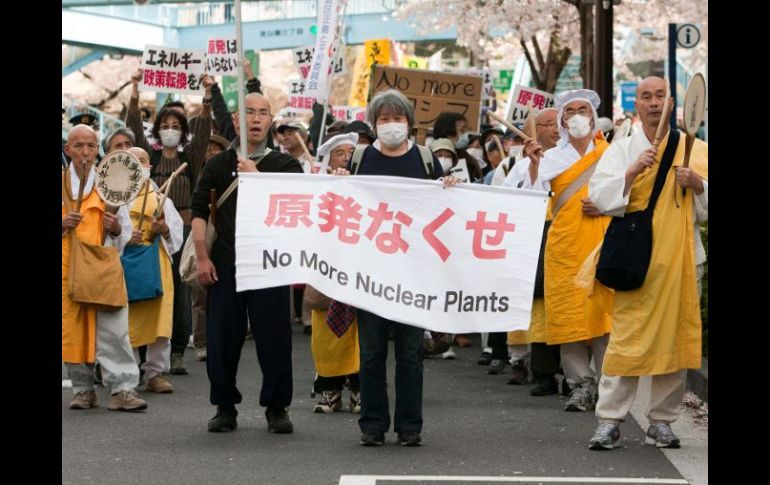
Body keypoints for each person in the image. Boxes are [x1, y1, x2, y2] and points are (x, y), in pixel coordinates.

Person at [585, 76, 708, 450]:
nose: (654, 103)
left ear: (672, 102)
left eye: (660, 96)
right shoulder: (622, 149)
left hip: (683, 259)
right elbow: (599, 198)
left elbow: (703, 212)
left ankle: (662, 420)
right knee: (626, 337)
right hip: (637, 260)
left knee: (675, 338)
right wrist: (632, 171)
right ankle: (609, 419)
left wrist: (698, 184)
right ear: (636, 104)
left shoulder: (695, 148)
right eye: (646, 97)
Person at [345, 89, 459, 447]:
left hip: (414, 272)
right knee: (372, 352)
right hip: (370, 272)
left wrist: (451, 187)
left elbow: (442, 208)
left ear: (409, 123)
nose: (391, 126)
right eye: (383, 119)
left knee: (410, 354)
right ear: (374, 123)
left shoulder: (425, 159)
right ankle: (373, 425)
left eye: (397, 119)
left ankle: (410, 426)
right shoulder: (360, 158)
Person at [191, 93, 303, 434]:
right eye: (248, 112)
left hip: (269, 265)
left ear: (271, 120)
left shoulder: (285, 166)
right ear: (237, 121)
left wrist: (257, 176)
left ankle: (277, 407)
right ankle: (224, 406)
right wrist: (202, 256)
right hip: (225, 263)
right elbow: (198, 210)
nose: (255, 118)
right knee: (222, 339)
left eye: (262, 113)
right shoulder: (218, 164)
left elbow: (297, 208)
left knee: (274, 339)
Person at [518, 89, 613, 412]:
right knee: (569, 318)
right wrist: (532, 164)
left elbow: (630, 195)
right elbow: (531, 195)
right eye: (569, 111)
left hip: (601, 242)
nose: (576, 116)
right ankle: (580, 386)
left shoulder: (612, 153)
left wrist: (605, 206)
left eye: (582, 110)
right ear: (561, 119)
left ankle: (607, 386)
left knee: (603, 316)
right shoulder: (552, 157)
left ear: (593, 116)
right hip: (565, 246)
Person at [125, 69, 214, 376]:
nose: (170, 130)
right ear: (157, 131)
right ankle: (140, 347)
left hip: (183, 230)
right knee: (147, 288)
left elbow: (204, 128)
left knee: (179, 292)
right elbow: (133, 132)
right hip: (148, 232)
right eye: (165, 126)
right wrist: (135, 92)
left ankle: (176, 350)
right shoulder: (148, 158)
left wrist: (206, 96)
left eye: (176, 126)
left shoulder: (191, 156)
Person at [62, 125, 147, 412]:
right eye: (79, 146)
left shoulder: (110, 183)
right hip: (68, 270)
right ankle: (83, 389)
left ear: (97, 149)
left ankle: (123, 389)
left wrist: (114, 228)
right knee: (72, 330)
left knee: (113, 329)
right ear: (68, 150)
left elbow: (126, 231)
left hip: (103, 267)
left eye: (91, 146)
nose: (85, 152)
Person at [122, 147, 184, 394]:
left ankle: (155, 373)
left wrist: (165, 230)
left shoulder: (161, 199)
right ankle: (129, 371)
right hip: (126, 265)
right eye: (133, 161)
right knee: (127, 320)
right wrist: (125, 236)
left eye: (143, 160)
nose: (138, 165)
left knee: (160, 320)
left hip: (156, 262)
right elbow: (104, 234)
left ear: (150, 166)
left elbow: (176, 237)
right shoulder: (115, 198)